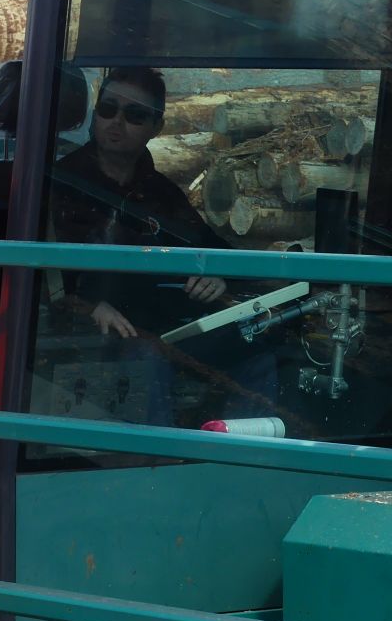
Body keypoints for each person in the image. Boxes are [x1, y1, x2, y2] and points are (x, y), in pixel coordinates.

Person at [48, 66, 275, 426]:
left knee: (256, 356)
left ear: (157, 128)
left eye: (134, 115)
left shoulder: (160, 194)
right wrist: (86, 303)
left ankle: (242, 460)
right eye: (108, 109)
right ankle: (153, 471)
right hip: (83, 331)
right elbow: (44, 272)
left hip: (164, 329)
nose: (117, 122)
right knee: (147, 356)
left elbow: (209, 247)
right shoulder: (59, 183)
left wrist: (217, 275)